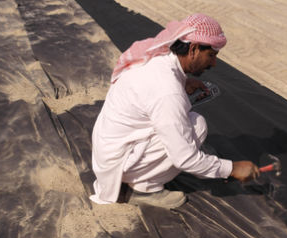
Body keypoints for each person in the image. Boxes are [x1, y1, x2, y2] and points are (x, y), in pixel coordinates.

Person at [90, 13, 259, 208]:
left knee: (188, 126)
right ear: (194, 49)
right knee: (197, 126)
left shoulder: (160, 58)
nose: (213, 63)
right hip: (119, 163)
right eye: (211, 55)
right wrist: (232, 168)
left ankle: (145, 174)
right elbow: (185, 158)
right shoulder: (167, 91)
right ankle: (141, 188)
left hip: (111, 148)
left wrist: (184, 82)